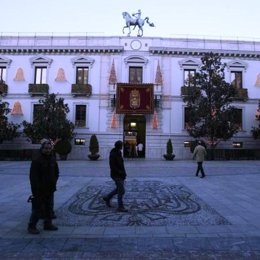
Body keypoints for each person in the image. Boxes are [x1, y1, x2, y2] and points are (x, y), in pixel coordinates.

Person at [27, 140, 59, 234]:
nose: (47, 150)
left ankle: (48, 224)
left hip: (50, 188)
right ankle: (31, 226)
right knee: (37, 208)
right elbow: (33, 177)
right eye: (46, 148)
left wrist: (54, 181)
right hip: (39, 189)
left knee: (49, 207)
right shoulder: (37, 160)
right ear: (42, 148)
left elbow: (56, 172)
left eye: (49, 148)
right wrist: (35, 190)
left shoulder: (53, 158)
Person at [103, 140, 128, 212]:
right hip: (116, 175)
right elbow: (112, 166)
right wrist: (120, 172)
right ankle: (120, 207)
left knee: (118, 189)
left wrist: (124, 173)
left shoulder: (119, 152)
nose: (122, 146)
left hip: (121, 174)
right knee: (121, 190)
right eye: (121, 145)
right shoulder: (113, 154)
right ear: (118, 146)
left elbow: (121, 165)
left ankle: (107, 197)